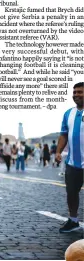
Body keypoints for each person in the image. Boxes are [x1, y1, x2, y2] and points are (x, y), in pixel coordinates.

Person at [56, 82, 84, 233]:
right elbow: (63, 134)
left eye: (80, 92)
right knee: (71, 193)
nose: (76, 95)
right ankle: (73, 220)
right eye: (74, 92)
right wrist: (58, 151)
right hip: (73, 163)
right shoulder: (68, 113)